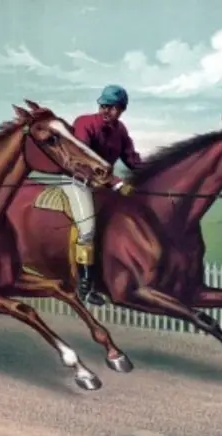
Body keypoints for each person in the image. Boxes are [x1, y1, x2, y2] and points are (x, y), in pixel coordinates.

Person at [67, 84, 142, 306]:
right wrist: (117, 183)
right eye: (103, 106)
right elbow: (84, 161)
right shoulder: (84, 123)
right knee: (88, 231)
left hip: (106, 188)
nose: (106, 111)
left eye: (112, 107)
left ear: (122, 109)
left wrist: (154, 175)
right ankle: (85, 286)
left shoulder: (121, 130)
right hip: (81, 183)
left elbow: (132, 159)